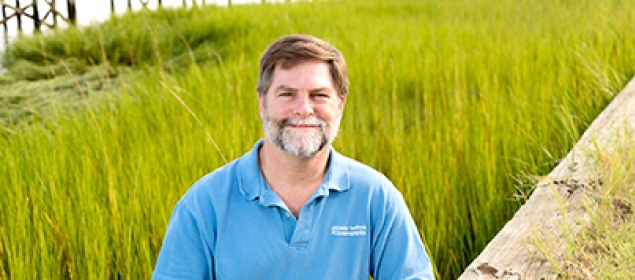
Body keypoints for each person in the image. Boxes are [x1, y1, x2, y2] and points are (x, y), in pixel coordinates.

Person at [152, 34, 435, 279]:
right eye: (287, 94)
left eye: (319, 95)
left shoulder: (375, 196)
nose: (303, 109)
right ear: (262, 103)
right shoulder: (204, 204)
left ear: (340, 105)